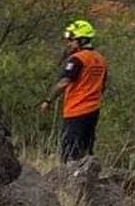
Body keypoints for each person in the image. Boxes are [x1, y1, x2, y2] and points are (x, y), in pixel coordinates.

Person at [39, 20, 108, 162]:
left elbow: (64, 82)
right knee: (86, 151)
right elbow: (103, 85)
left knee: (69, 152)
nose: (68, 43)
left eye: (71, 40)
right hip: (93, 110)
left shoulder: (77, 59)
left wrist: (48, 100)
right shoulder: (100, 59)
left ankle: (67, 182)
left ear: (81, 40)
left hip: (76, 110)